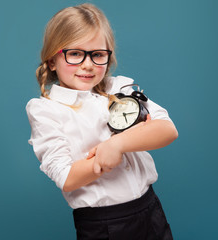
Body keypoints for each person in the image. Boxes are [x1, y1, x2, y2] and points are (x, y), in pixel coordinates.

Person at [26, 3, 178, 240]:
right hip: (104, 225)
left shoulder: (119, 87)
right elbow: (66, 178)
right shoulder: (46, 110)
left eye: (97, 55)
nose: (88, 64)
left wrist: (116, 145)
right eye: (75, 54)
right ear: (52, 60)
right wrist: (103, 160)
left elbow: (167, 129)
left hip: (150, 208)